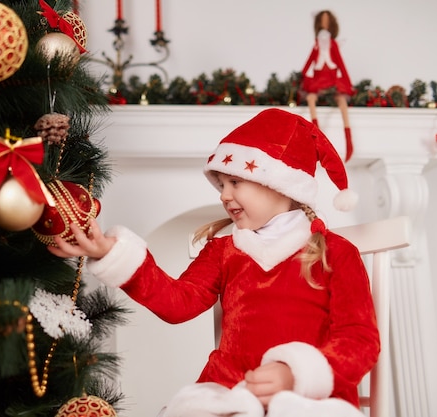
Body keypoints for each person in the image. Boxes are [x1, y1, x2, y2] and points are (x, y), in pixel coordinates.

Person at [48, 108, 380, 417]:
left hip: (309, 395)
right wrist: (110, 252)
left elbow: (359, 338)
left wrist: (297, 373)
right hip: (230, 389)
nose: (223, 195)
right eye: (221, 184)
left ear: (280, 184)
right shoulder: (222, 250)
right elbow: (178, 303)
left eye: (235, 182)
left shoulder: (335, 252)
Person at [301, 10, 355, 162]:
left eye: (327, 21)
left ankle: (349, 139)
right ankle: (316, 137)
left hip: (331, 79)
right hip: (318, 79)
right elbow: (309, 61)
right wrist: (301, 77)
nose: (325, 24)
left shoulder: (333, 44)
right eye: (322, 21)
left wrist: (347, 82)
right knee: (311, 99)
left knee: (342, 101)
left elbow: (340, 63)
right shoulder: (317, 44)